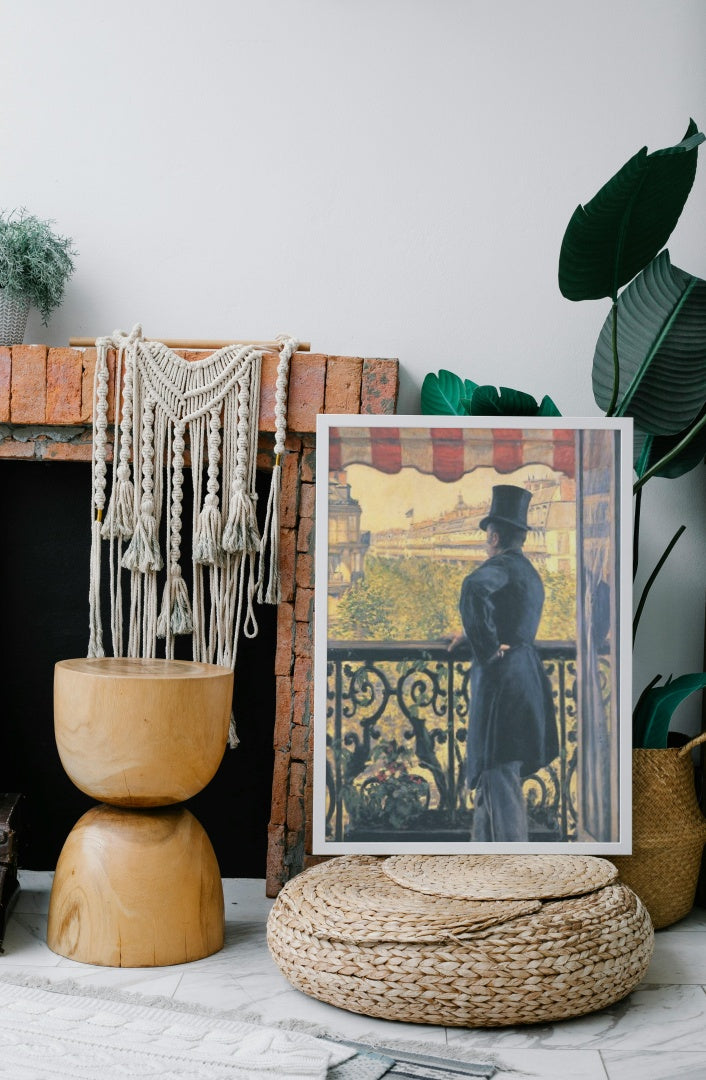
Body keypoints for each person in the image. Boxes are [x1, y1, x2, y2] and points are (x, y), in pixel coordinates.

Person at [452, 484, 558, 842]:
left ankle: (511, 868)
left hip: (503, 683)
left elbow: (473, 589)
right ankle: (484, 865)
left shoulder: (500, 566)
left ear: (494, 536)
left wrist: (485, 645)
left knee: (499, 779)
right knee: (496, 782)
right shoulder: (528, 571)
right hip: (525, 677)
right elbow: (510, 614)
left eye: (487, 538)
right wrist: (476, 634)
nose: (486, 544)